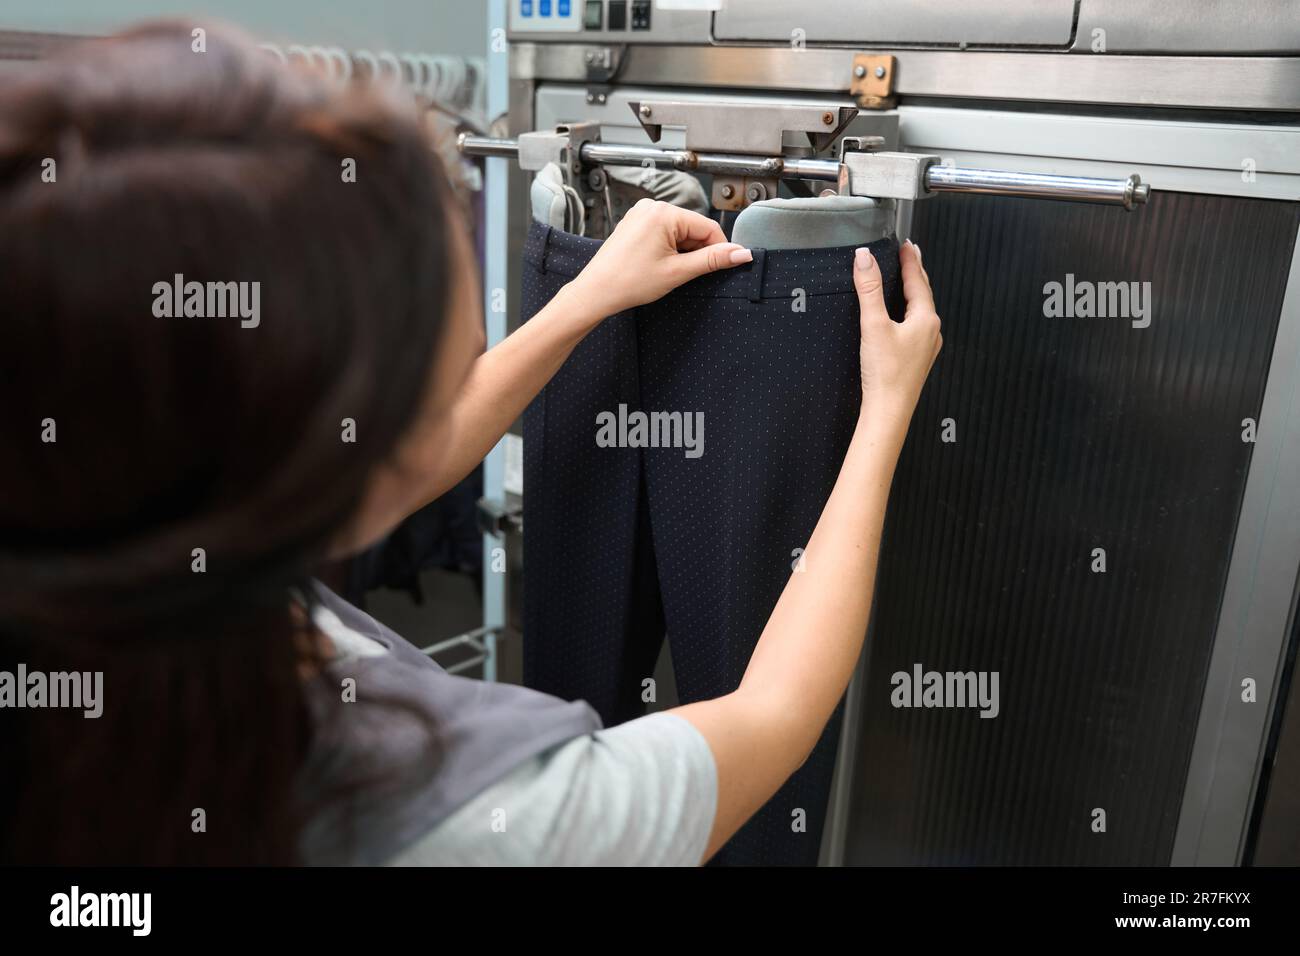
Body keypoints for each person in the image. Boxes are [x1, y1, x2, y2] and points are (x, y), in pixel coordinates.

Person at [0, 22, 940, 865]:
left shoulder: (114, 555)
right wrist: (882, 411)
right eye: (454, 363)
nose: (475, 363)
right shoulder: (474, 817)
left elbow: (414, 454)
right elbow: (769, 716)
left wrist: (585, 298)